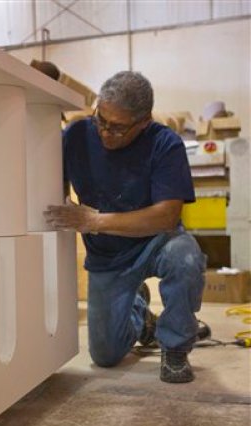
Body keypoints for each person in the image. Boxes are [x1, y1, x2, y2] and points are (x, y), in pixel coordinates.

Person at [44, 71, 206, 384]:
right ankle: (140, 315)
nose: (105, 132)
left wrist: (94, 221)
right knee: (105, 357)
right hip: (108, 256)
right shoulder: (77, 135)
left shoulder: (165, 144)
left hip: (156, 242)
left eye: (117, 127)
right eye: (100, 119)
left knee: (185, 257)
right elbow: (51, 180)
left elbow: (166, 216)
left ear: (143, 121)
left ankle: (174, 347)